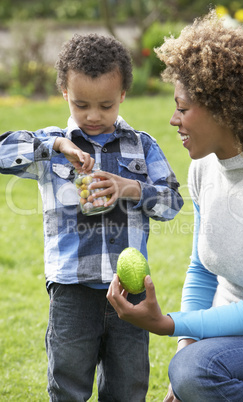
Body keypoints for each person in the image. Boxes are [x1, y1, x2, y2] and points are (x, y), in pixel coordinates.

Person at [0, 33, 183, 401]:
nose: (93, 116)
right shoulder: (52, 145)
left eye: (106, 105)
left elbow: (171, 202)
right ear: (64, 93)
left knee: (128, 386)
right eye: (81, 104)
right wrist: (55, 145)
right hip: (71, 290)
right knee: (68, 384)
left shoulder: (141, 145)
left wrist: (130, 188)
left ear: (123, 97)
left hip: (129, 294)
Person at [107, 9, 243, 402]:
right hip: (234, 341)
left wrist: (166, 324)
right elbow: (202, 269)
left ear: (224, 108)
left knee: (198, 370)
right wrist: (185, 347)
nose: (173, 120)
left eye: (183, 107)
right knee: (189, 369)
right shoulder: (203, 168)